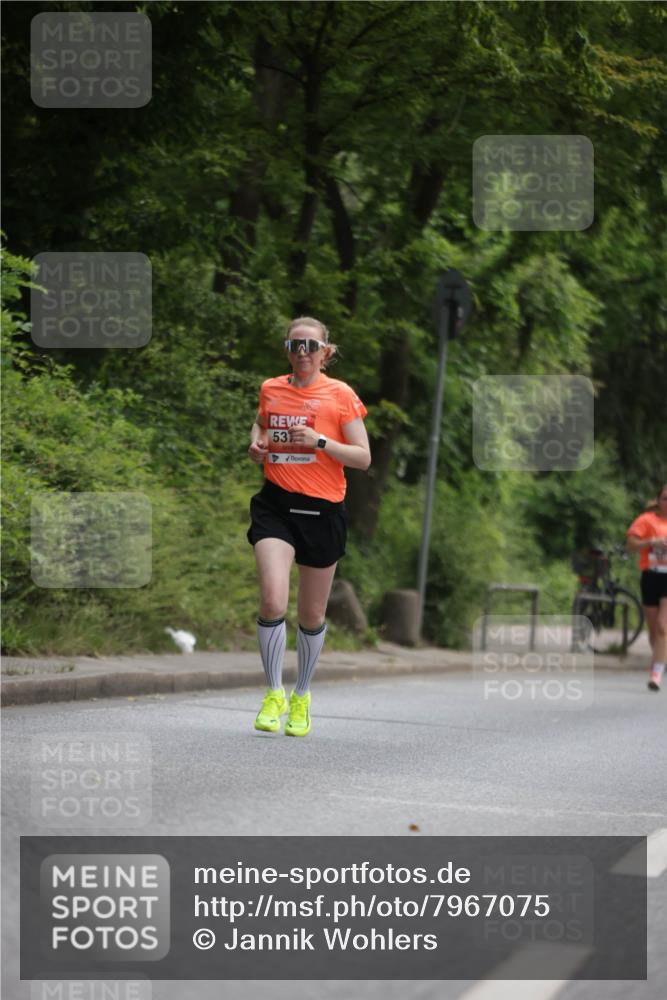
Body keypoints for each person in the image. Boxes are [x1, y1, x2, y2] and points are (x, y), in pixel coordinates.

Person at [246, 316, 371, 735]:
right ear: (287, 350)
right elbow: (263, 424)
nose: (303, 353)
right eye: (296, 345)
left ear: (326, 352)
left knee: (312, 614)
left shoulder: (341, 395)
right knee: (272, 600)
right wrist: (256, 444)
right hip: (275, 506)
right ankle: (273, 691)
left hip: (322, 511)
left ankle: (301, 695)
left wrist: (319, 442)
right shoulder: (271, 388)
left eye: (311, 346)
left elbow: (363, 457)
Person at [626, 483, 667, 691]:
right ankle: (660, 658)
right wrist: (653, 542)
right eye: (665, 498)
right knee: (653, 630)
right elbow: (631, 545)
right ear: (658, 501)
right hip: (651, 576)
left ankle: (656, 674)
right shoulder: (646, 520)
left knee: (662, 626)